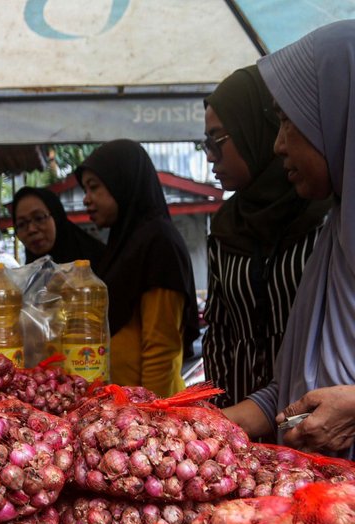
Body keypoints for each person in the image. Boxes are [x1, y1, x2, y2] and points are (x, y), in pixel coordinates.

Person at [224, 20, 355, 458]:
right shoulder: (336, 235)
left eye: (288, 121)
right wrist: (213, 426)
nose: (278, 145)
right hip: (322, 501)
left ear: (338, 112)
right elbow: (298, 388)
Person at [202, 66, 330, 408]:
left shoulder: (325, 218)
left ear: (254, 129)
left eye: (217, 140)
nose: (210, 156)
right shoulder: (225, 226)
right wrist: (218, 418)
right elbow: (219, 330)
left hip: (318, 415)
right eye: (206, 144)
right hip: (239, 426)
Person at [76, 139, 199, 398]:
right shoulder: (125, 243)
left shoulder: (159, 243)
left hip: (145, 410)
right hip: (123, 405)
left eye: (94, 187)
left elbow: (161, 349)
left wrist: (148, 416)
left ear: (123, 183)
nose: (86, 199)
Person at [11, 186, 105, 268]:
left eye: (39, 218)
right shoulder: (26, 279)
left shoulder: (100, 262)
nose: (31, 229)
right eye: (21, 224)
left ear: (57, 217)